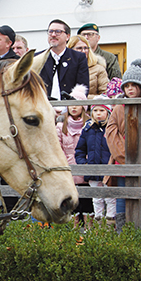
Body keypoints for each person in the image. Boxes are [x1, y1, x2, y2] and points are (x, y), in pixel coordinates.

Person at [105, 59, 141, 229]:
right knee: (122, 200)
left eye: (134, 85)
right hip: (120, 166)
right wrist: (123, 156)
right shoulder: (117, 109)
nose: (130, 89)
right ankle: (123, 234)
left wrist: (135, 156)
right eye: (127, 85)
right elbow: (111, 133)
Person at [75, 96, 115, 226]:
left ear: (108, 112)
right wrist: (84, 165)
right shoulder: (87, 129)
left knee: (110, 197)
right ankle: (98, 222)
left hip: (109, 171)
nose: (98, 113)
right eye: (96, 110)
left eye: (102, 110)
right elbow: (80, 150)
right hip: (93, 170)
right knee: (97, 198)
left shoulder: (111, 128)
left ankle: (110, 223)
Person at [56, 84, 91, 227]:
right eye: (71, 104)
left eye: (77, 104)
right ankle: (73, 228)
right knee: (72, 201)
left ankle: (90, 228)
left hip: (85, 167)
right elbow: (58, 147)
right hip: (67, 168)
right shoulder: (60, 126)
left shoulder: (88, 125)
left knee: (87, 201)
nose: (74, 107)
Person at [38, 19, 90, 100]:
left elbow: (82, 86)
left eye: (58, 32)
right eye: (50, 31)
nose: (53, 35)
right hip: (43, 108)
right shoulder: (38, 57)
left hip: (69, 108)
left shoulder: (78, 58)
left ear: (67, 36)